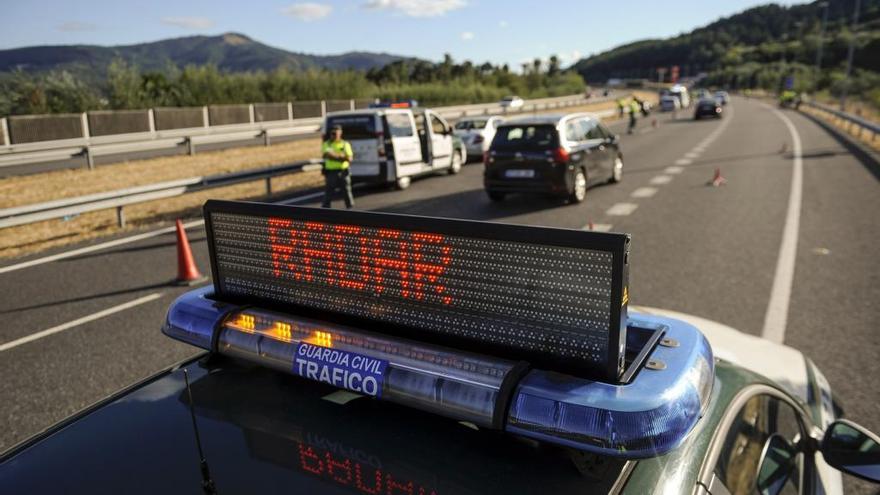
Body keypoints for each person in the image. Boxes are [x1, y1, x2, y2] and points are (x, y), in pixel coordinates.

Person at [321, 125, 355, 208]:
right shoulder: (327, 144)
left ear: (340, 133)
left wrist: (335, 155)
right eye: (333, 133)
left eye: (337, 133)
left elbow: (349, 158)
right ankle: (325, 210)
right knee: (329, 192)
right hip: (331, 172)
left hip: (343, 171)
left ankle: (350, 209)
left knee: (347, 191)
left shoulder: (345, 144)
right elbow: (328, 155)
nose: (335, 135)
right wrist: (342, 156)